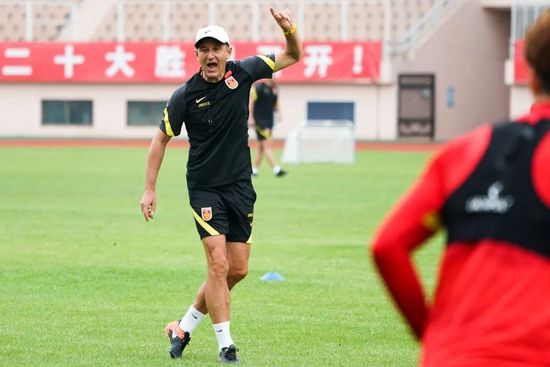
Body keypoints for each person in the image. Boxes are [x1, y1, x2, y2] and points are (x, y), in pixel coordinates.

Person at [371, 9, 550, 366]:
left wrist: (433, 333)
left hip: (451, 354)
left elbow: (388, 246)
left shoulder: (466, 151)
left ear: (530, 77)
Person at [139, 7, 301, 364]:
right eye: (204, 49)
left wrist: (289, 30)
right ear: (196, 54)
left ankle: (182, 327)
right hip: (204, 189)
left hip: (240, 186)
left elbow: (293, 55)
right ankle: (226, 346)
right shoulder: (184, 96)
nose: (210, 55)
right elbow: (159, 140)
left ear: (229, 50)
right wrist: (150, 188)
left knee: (237, 269)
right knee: (217, 265)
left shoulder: (244, 72)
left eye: (217, 48)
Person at [249, 78, 287, 177]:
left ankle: (254, 170)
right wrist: (251, 118)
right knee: (268, 146)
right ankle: (276, 169)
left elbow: (275, 104)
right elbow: (251, 102)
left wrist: (279, 113)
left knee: (260, 148)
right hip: (261, 122)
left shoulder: (272, 90)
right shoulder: (259, 87)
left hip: (269, 122)